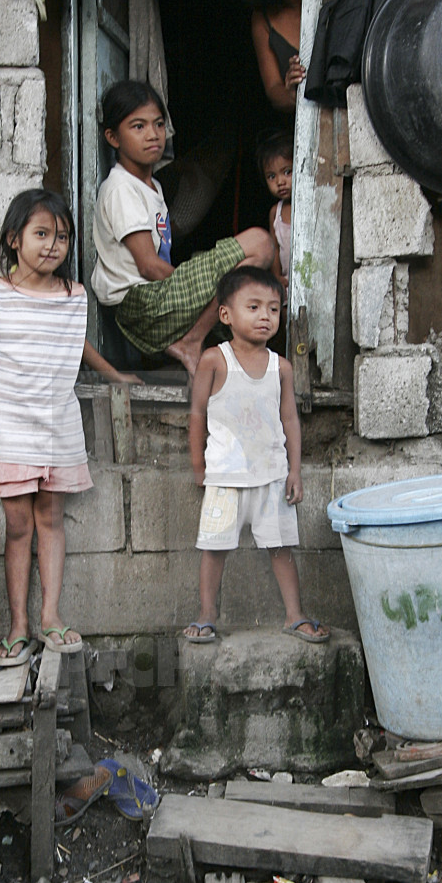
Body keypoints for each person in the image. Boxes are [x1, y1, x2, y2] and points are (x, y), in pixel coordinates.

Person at [0, 187, 139, 664]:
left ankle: (50, 616)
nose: (52, 245)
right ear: (13, 239)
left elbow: (77, 346)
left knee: (51, 521)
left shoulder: (73, 295)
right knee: (19, 526)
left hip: (58, 426)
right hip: (12, 428)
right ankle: (18, 625)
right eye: (41, 233)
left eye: (61, 237)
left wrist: (112, 374)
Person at [91, 79, 274, 383]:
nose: (153, 135)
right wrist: (199, 282)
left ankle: (192, 342)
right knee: (259, 242)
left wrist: (207, 282)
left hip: (152, 303)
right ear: (113, 137)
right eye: (138, 127)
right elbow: (149, 266)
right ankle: (190, 341)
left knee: (244, 277)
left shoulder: (152, 187)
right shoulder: (121, 188)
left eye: (158, 124)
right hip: (142, 305)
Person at [184, 265, 329, 646]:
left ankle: (294, 615)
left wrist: (294, 470)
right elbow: (197, 413)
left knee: (281, 548)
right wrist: (198, 465)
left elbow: (290, 420)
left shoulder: (281, 368)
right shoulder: (215, 360)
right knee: (214, 549)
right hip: (225, 477)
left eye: (274, 309)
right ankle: (207, 614)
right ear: (226, 315)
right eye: (254, 307)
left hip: (271, 476)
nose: (265, 316)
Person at [257, 127, 293, 288]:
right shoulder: (275, 213)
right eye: (272, 176)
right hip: (285, 283)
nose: (280, 182)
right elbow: (275, 249)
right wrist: (276, 277)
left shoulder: (307, 208)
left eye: (287, 172)